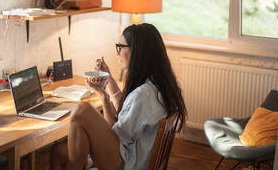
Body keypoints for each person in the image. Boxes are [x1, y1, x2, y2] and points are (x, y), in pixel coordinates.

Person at [51, 23, 187, 170]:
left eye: (120, 47)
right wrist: (107, 81)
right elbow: (125, 113)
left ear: (136, 52)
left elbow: (114, 132)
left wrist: (103, 97)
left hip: (129, 163)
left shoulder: (142, 95)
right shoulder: (158, 86)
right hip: (134, 155)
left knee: (81, 111)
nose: (117, 53)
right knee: (59, 151)